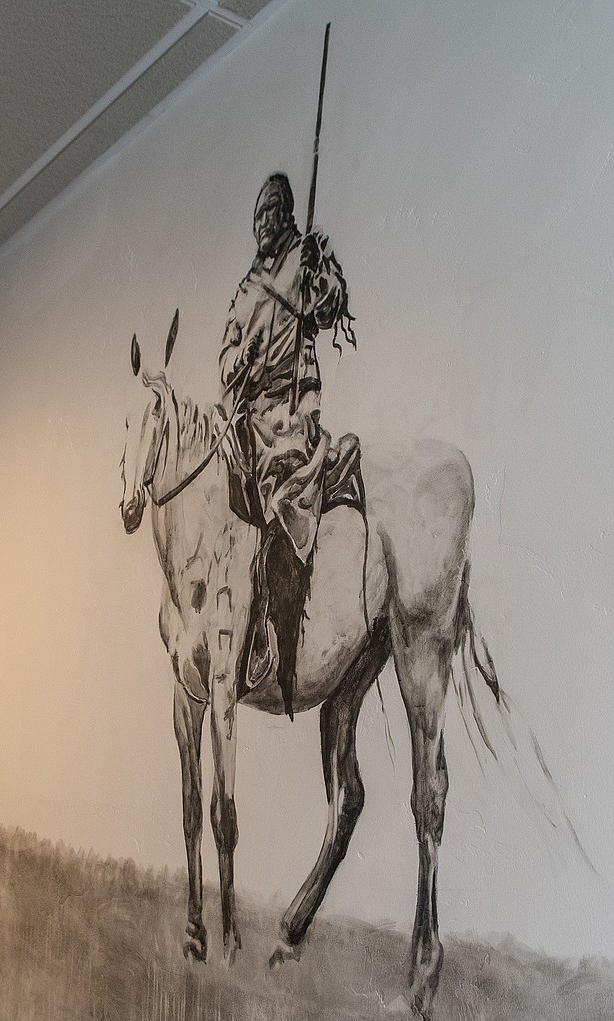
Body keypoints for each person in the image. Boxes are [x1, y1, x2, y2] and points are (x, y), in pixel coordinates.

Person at [219, 172, 356, 717]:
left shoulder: (305, 258)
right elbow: (225, 351)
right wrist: (240, 362)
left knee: (281, 502)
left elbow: (328, 310)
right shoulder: (246, 288)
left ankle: (283, 644)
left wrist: (321, 278)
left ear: (290, 215)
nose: (266, 220)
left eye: (275, 210)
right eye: (259, 213)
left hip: (291, 416)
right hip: (248, 418)